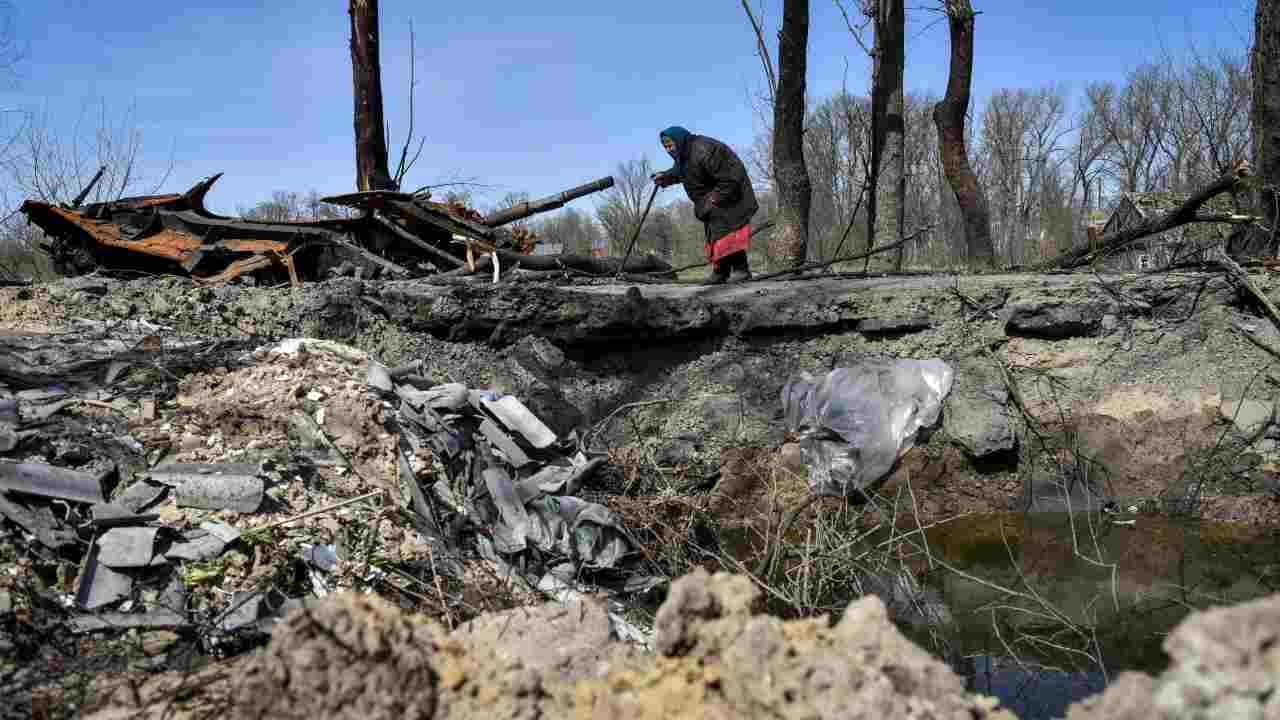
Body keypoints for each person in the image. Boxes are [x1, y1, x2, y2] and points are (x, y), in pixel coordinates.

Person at [652, 126, 759, 284]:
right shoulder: (684, 155)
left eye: (670, 145)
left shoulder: (704, 150)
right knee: (715, 234)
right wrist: (665, 177)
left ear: (679, 140)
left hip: (731, 192)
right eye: (666, 147)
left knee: (727, 232)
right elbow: (680, 171)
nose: (669, 150)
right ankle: (721, 271)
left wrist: (714, 198)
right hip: (711, 198)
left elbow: (729, 177)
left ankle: (740, 269)